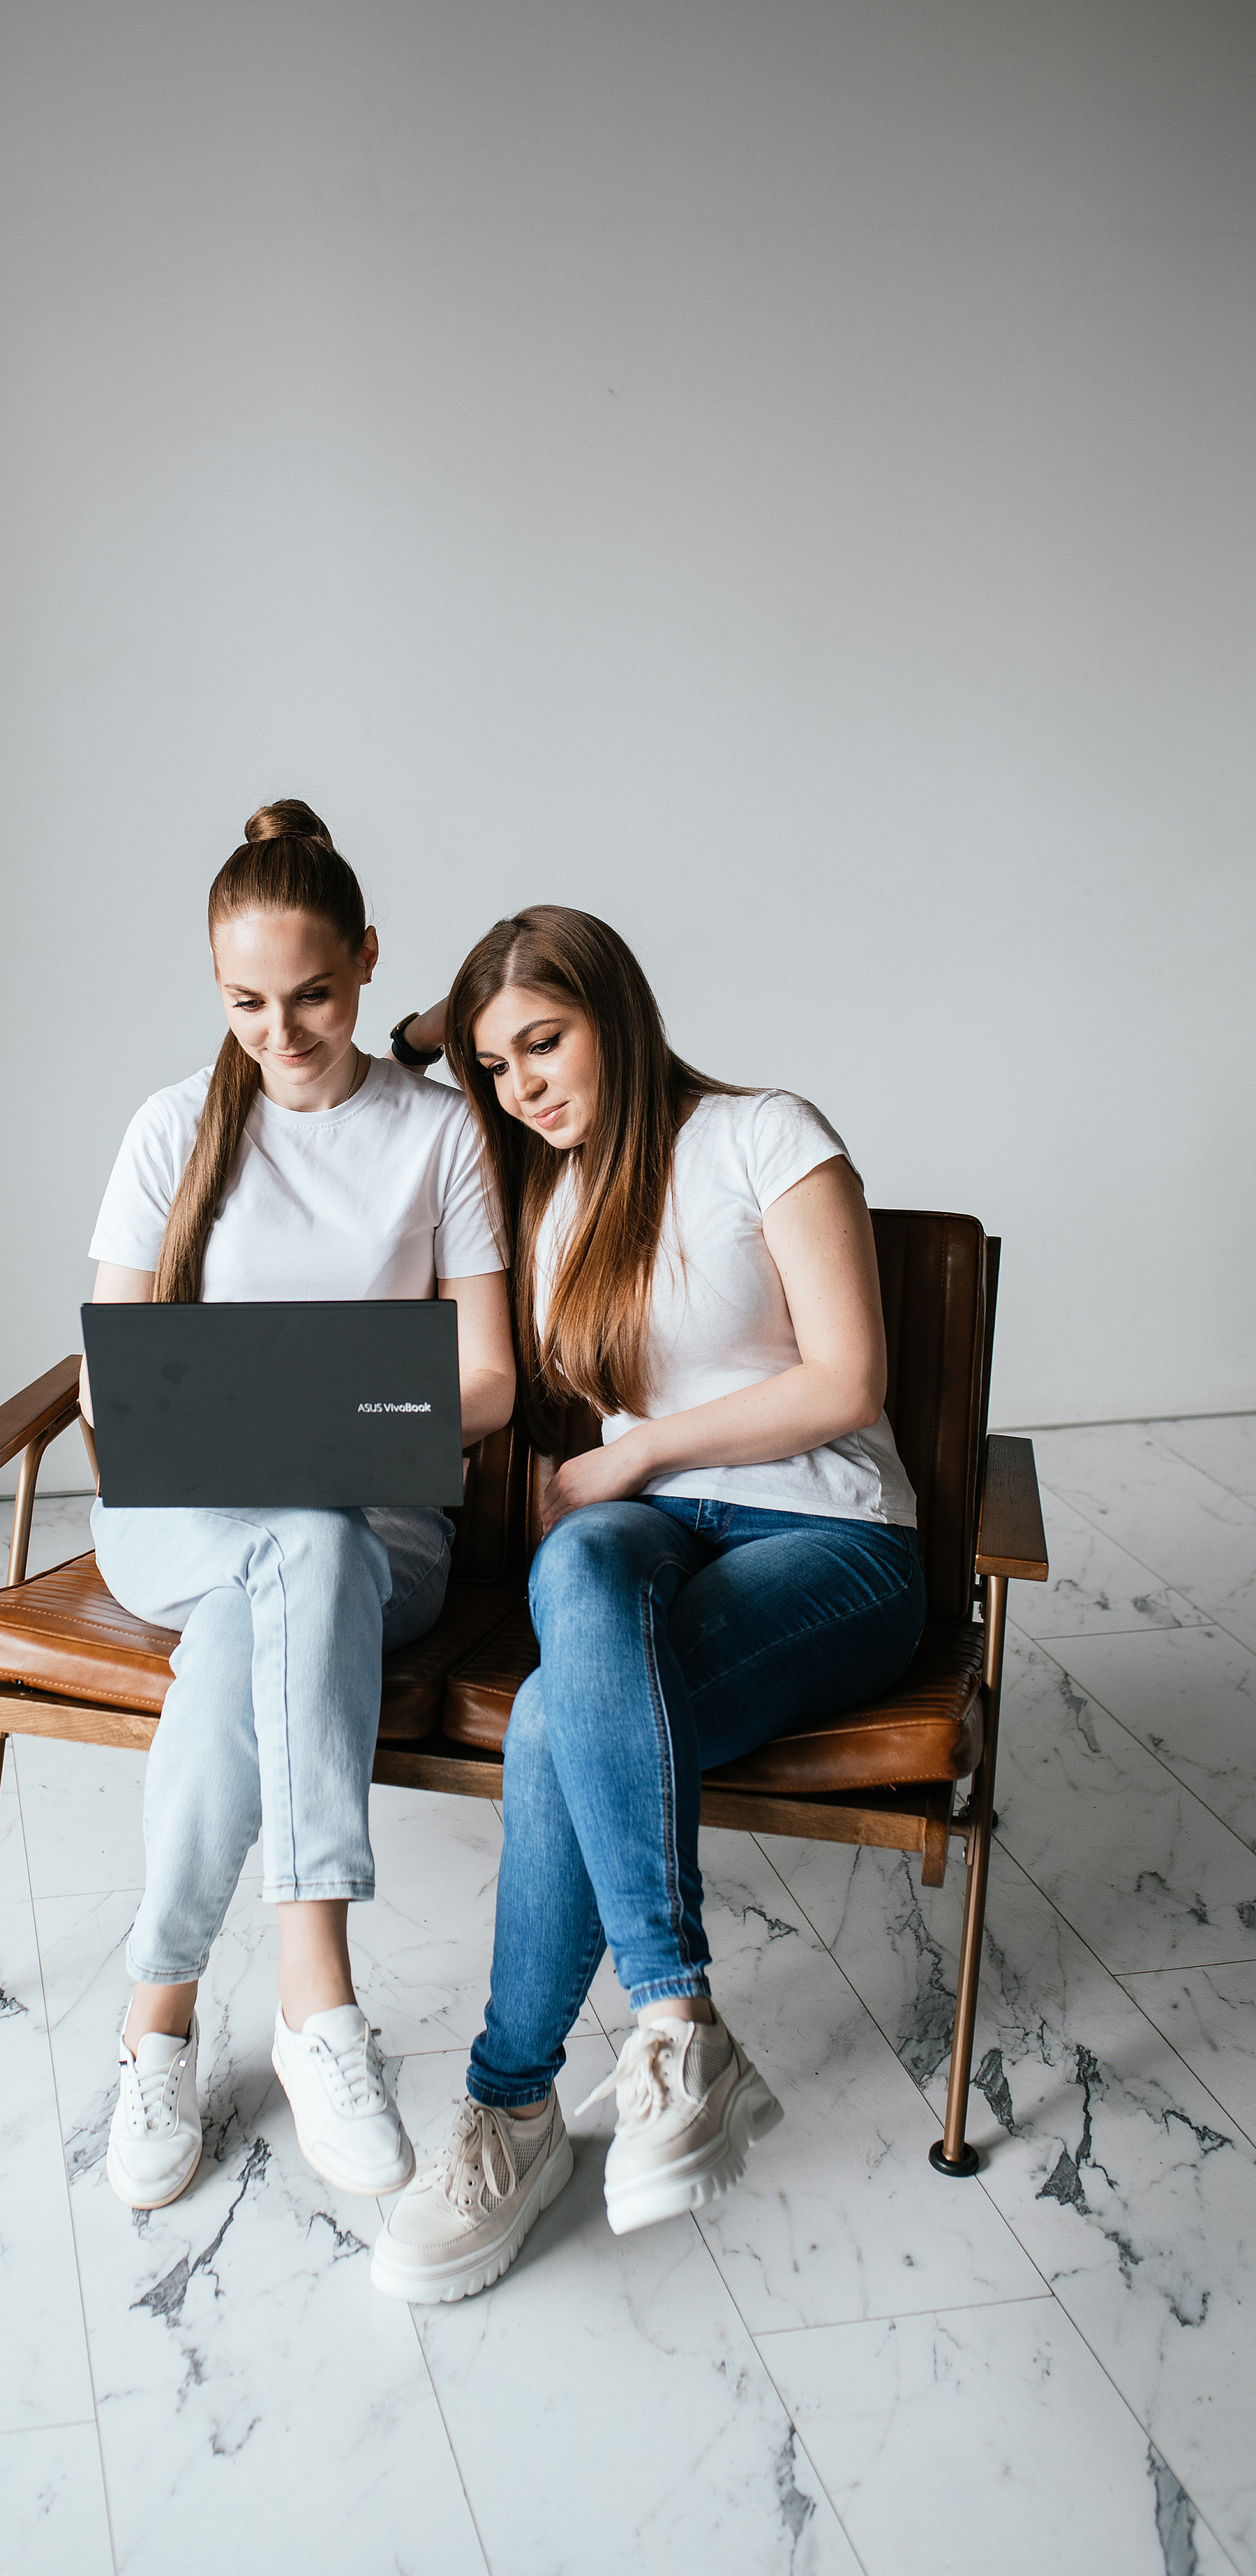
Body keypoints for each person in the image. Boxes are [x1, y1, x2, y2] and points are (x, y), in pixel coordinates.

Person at [370, 908, 927, 2303]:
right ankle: (678, 2026)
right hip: (643, 1533)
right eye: (495, 1068)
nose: (521, 1087)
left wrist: (633, 1452)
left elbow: (846, 1383)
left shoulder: (762, 1136)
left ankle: (514, 2105)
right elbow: (406, 1054)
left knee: (562, 1712)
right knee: (572, 1573)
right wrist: (457, 1026)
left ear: (617, 1010)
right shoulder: (532, 1176)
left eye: (545, 1042)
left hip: (831, 1538)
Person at [83, 802, 515, 2214]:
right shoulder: (168, 1128)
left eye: (315, 995)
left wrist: (349, 1427)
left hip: (379, 1535)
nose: (281, 1029)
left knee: (298, 1564)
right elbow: (113, 1384)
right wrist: (244, 1428)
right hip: (185, 1522)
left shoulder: (435, 1136)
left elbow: (492, 1383)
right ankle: (315, 1997)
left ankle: (157, 2018)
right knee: (286, 1547)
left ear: (369, 964)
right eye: (246, 1001)